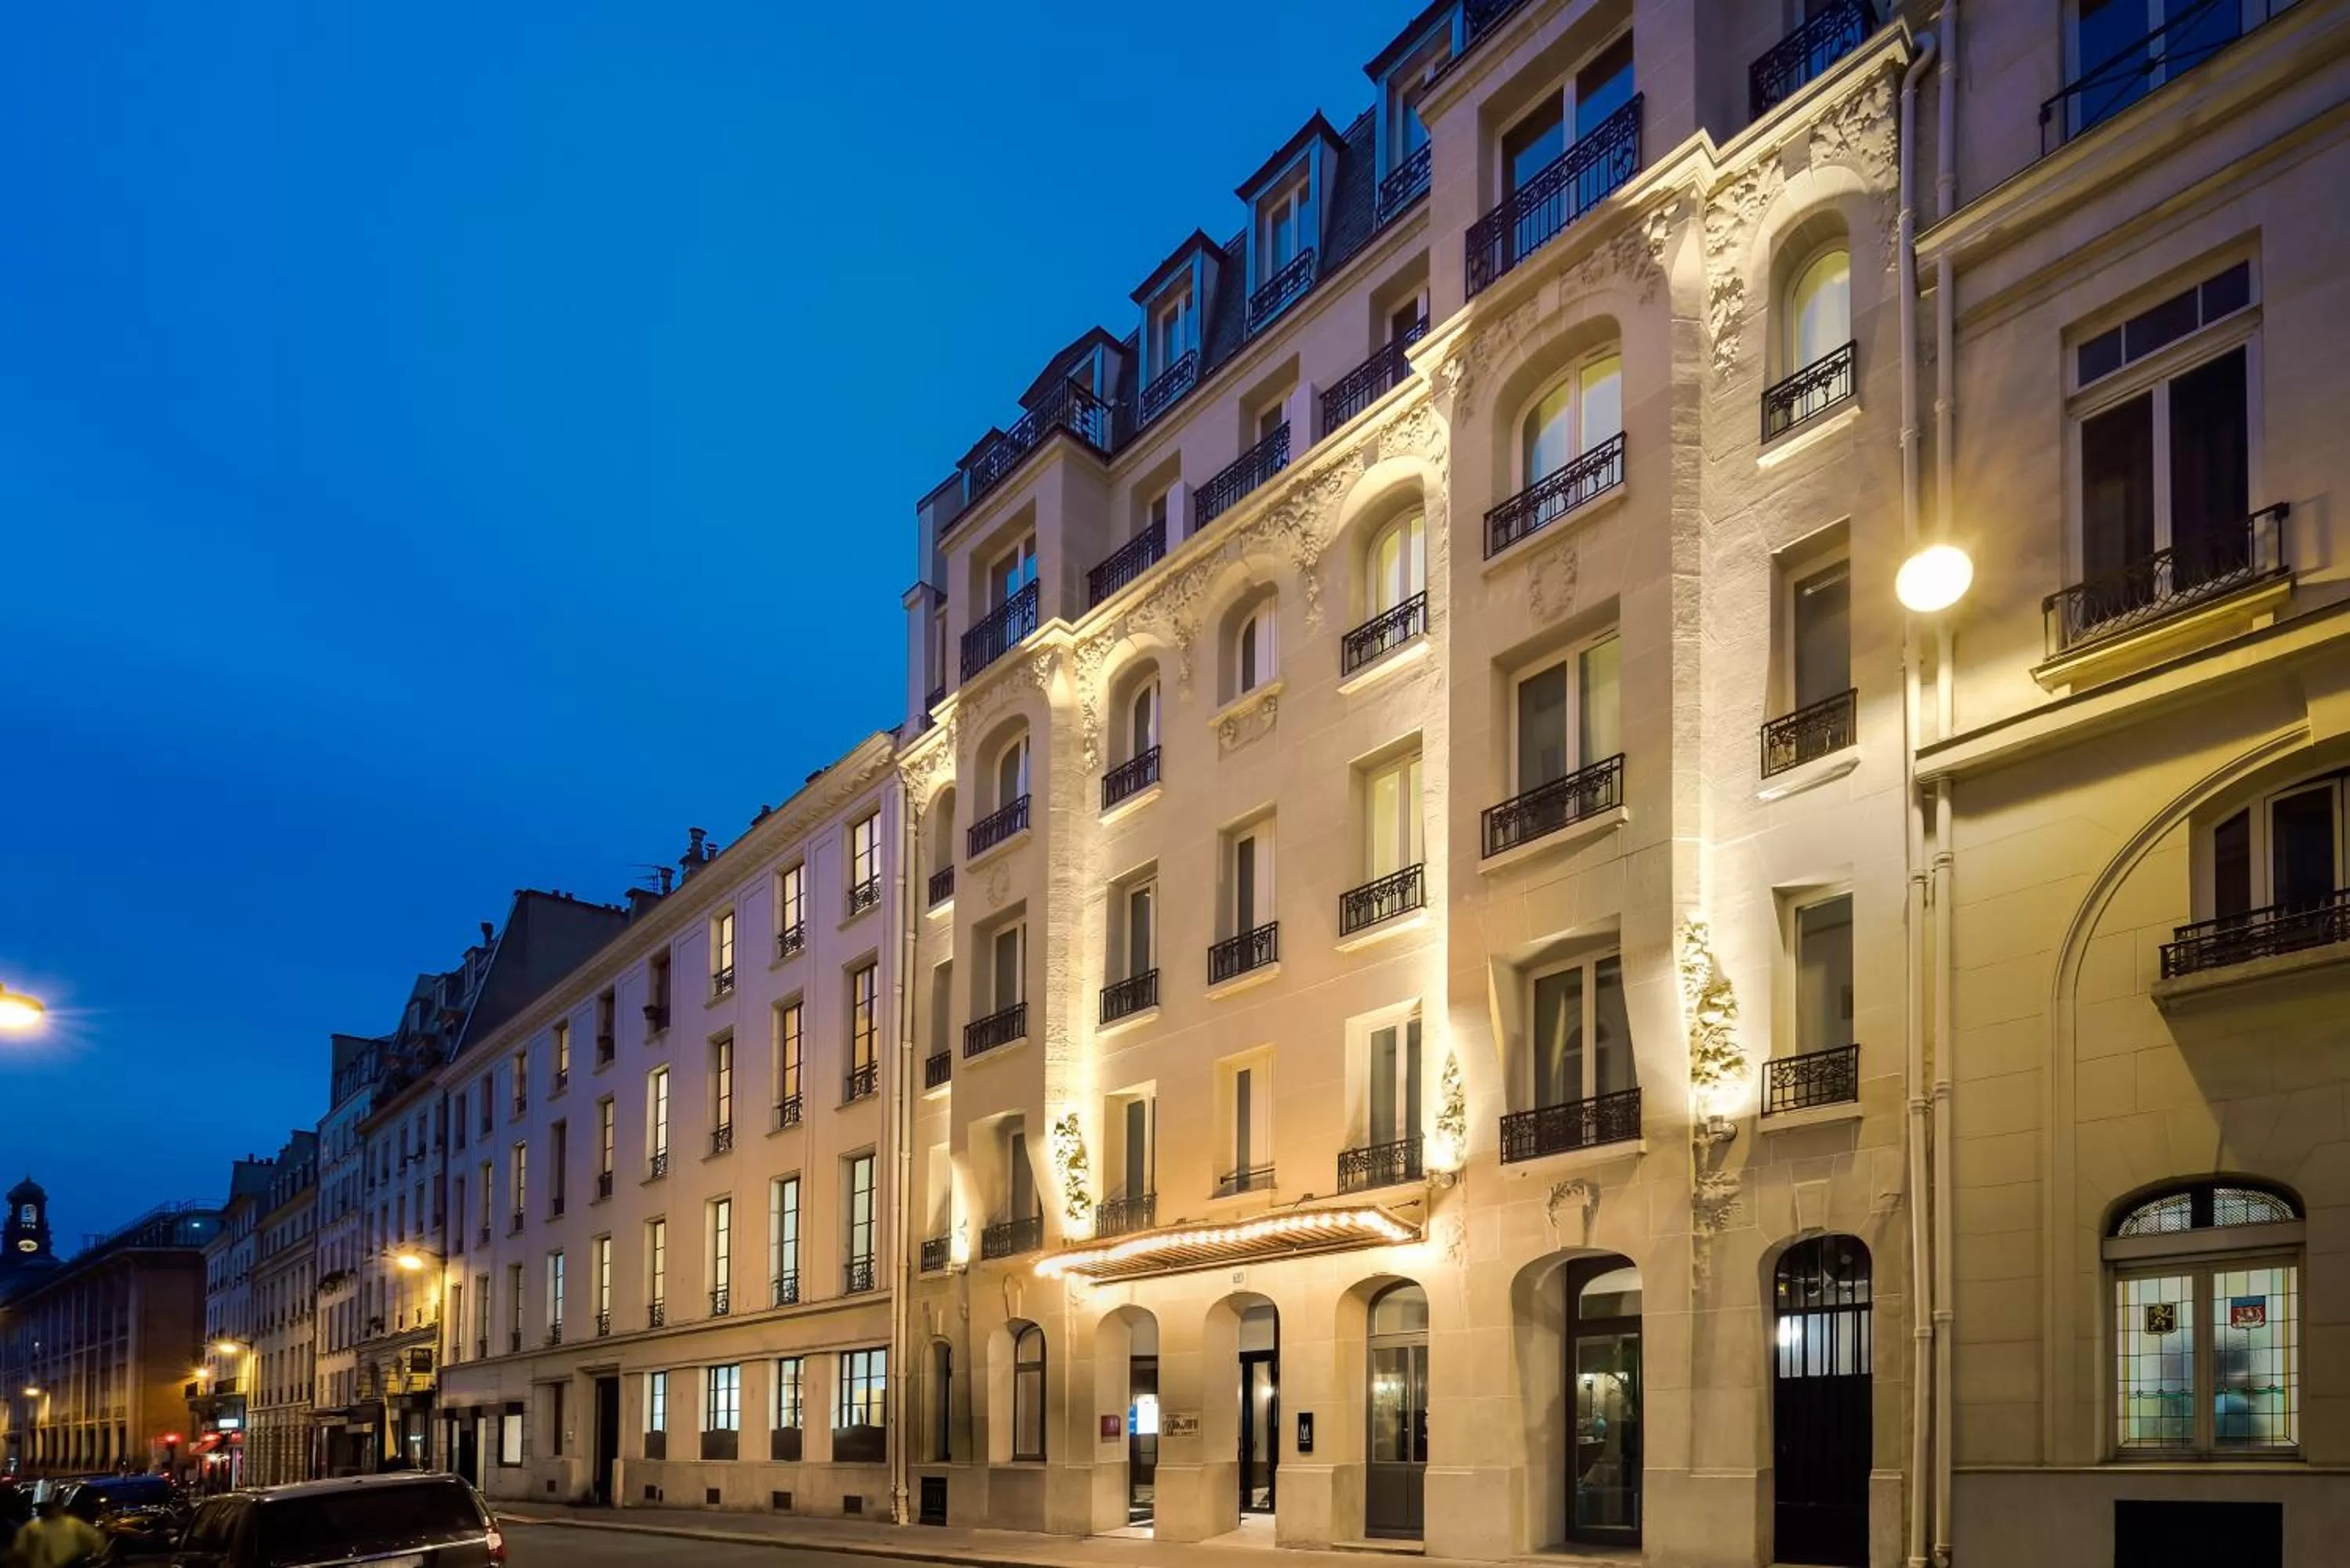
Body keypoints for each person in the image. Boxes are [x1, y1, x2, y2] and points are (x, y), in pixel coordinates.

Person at [8, 1497, 104, 1568]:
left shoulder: (72, 1523)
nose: (50, 1511)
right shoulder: (31, 1526)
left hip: (69, 1564)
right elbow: (19, 1549)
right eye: (46, 1508)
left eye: (53, 1507)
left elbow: (95, 1537)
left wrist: (96, 1552)